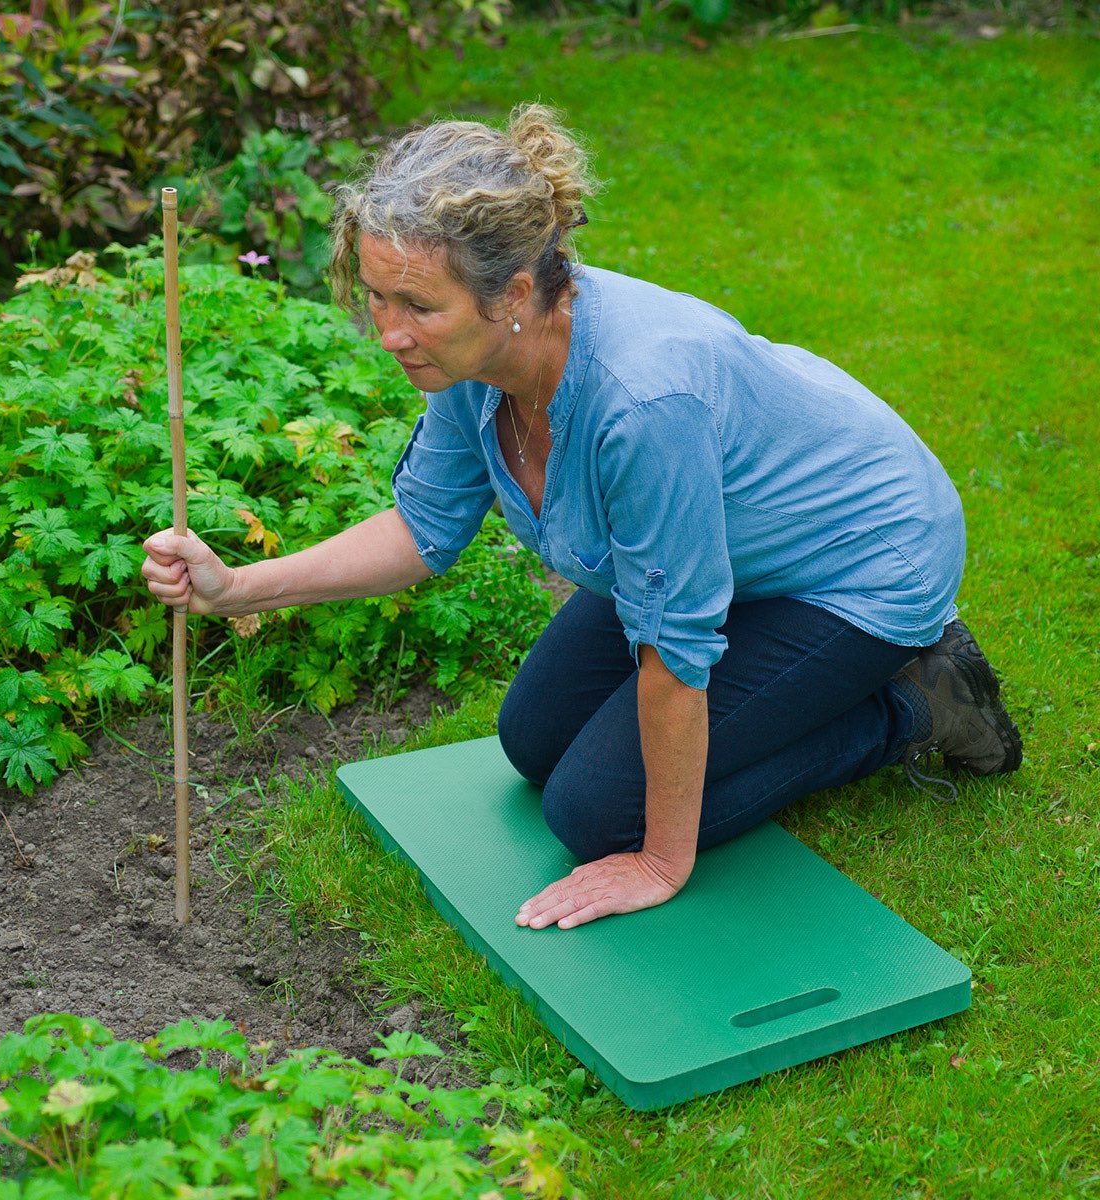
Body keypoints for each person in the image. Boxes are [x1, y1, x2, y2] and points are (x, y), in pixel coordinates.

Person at [142, 103, 1022, 933]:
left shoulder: (640, 403)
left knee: (596, 811)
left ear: (513, 293)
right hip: (731, 548)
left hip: (857, 560)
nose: (390, 333)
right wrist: (238, 587)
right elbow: (424, 530)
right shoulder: (475, 361)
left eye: (416, 306)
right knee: (532, 740)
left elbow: (675, 650)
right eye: (378, 297)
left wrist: (657, 862)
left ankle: (919, 702)